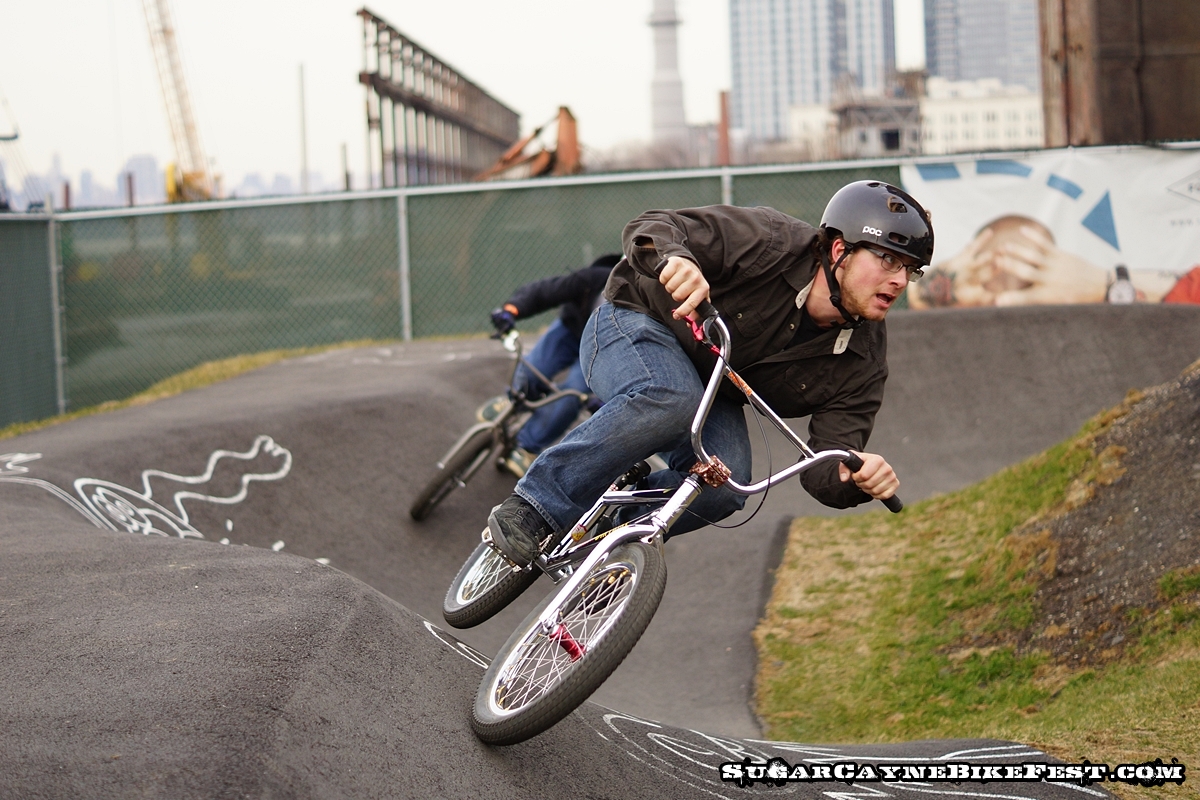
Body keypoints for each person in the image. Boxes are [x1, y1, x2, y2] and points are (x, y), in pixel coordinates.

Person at [485, 180, 935, 567]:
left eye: (910, 270)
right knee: (669, 397)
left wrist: (853, 477)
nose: (899, 280)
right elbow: (653, 226)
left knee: (726, 487)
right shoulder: (770, 241)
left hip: (710, 388)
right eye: (888, 260)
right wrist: (674, 261)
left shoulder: (863, 361)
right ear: (840, 251)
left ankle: (605, 542)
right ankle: (534, 507)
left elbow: (825, 466)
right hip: (636, 320)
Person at [480, 254, 623, 477]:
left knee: (573, 395)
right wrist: (511, 310)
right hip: (572, 330)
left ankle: (527, 448)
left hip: (603, 352)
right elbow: (544, 291)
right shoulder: (592, 279)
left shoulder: (651, 309)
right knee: (534, 368)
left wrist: (605, 398)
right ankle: (511, 401)